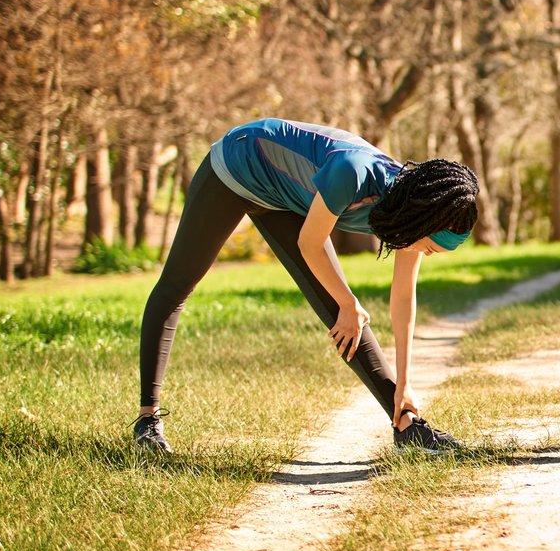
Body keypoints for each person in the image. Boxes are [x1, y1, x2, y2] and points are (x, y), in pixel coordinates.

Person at [133, 118, 478, 454]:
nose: (425, 254)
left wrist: (405, 381)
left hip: (285, 197)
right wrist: (348, 301)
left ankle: (407, 426)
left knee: (344, 316)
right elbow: (310, 245)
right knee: (177, 285)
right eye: (430, 248)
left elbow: (403, 297)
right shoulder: (353, 174)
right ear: (424, 221)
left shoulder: (407, 218)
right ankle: (147, 421)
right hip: (238, 166)